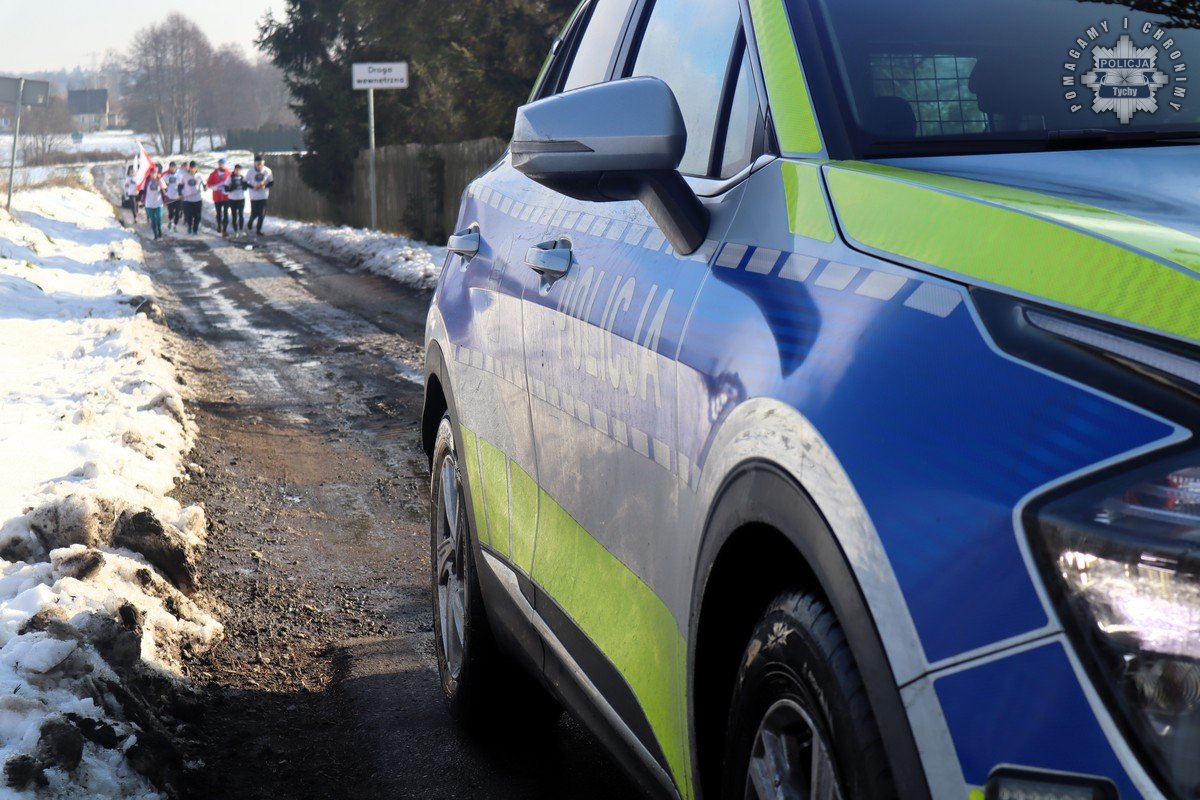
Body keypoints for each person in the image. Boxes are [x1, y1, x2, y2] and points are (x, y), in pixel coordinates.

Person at [246, 155, 274, 236]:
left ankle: (258, 230)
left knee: (262, 214)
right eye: (258, 164)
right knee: (254, 214)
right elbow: (244, 182)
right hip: (254, 196)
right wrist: (252, 187)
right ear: (255, 164)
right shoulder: (250, 171)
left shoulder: (267, 171)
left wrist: (265, 186)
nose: (259, 166)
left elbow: (271, 183)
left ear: (263, 163)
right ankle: (250, 221)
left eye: (261, 164)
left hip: (263, 195)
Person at [207, 158, 232, 238]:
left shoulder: (229, 174)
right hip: (217, 197)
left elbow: (232, 184)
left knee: (225, 213)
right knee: (218, 213)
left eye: (223, 164)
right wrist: (216, 187)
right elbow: (209, 184)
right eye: (220, 164)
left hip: (226, 197)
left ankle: (224, 230)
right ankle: (219, 224)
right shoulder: (213, 174)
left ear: (225, 165)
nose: (222, 165)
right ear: (218, 165)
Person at [142, 165, 166, 241]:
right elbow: (142, 191)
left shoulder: (160, 180)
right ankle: (155, 235)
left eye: (155, 173)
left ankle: (159, 230)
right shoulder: (146, 182)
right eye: (152, 173)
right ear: (150, 173)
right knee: (153, 220)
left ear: (157, 173)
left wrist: (160, 183)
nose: (153, 174)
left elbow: (165, 189)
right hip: (149, 204)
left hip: (159, 203)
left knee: (158, 218)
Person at [223, 164, 248, 238]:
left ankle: (241, 230)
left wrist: (244, 186)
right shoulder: (230, 178)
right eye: (236, 170)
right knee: (234, 216)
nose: (238, 171)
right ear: (234, 170)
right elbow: (226, 188)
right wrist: (232, 188)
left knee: (241, 215)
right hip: (232, 199)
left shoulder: (243, 178)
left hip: (241, 199)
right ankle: (235, 231)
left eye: (239, 170)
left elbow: (246, 187)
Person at [180, 161, 205, 235]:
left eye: (194, 168)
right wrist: (180, 193)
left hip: (197, 199)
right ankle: (190, 226)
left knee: (198, 216)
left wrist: (205, 187)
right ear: (189, 168)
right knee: (188, 215)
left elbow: (205, 184)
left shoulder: (200, 176)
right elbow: (180, 186)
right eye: (191, 168)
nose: (193, 169)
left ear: (196, 168)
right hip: (187, 199)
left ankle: (195, 229)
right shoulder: (185, 175)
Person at [162, 162, 183, 232]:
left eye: (173, 167)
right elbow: (162, 183)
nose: (172, 168)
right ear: (169, 168)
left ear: (175, 167)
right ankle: (170, 221)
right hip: (169, 197)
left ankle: (175, 225)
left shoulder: (179, 175)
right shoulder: (166, 176)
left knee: (177, 212)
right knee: (171, 212)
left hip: (177, 197)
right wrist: (165, 186)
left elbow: (182, 185)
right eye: (171, 167)